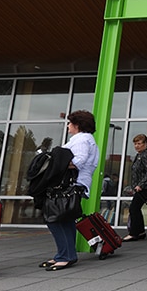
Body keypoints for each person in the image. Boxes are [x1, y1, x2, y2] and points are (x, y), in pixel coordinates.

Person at [42, 110, 100, 271]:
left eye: (70, 123)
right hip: (75, 185)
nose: (68, 126)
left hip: (70, 185)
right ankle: (66, 255)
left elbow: (78, 161)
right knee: (65, 220)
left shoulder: (81, 140)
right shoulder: (87, 139)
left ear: (77, 125)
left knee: (54, 219)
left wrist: (54, 164)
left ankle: (65, 255)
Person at [122, 134, 147, 242]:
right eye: (135, 143)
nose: (136, 146)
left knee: (133, 208)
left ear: (145, 144)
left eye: (139, 143)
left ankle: (134, 233)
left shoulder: (146, 155)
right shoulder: (139, 155)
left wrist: (140, 185)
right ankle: (140, 232)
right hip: (142, 187)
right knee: (135, 208)